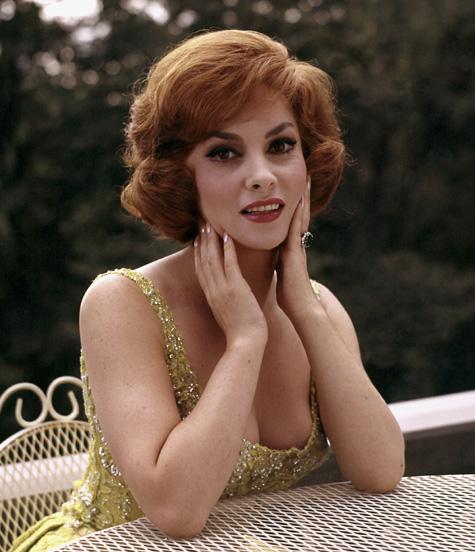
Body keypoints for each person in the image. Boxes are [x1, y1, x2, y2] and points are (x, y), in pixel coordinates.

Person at [11, 29, 405, 550]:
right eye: (224, 153)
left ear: (308, 164)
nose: (262, 176)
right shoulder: (122, 303)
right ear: (181, 176)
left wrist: (304, 311)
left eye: (281, 146)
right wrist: (245, 339)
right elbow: (176, 510)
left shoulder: (319, 307)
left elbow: (380, 470)